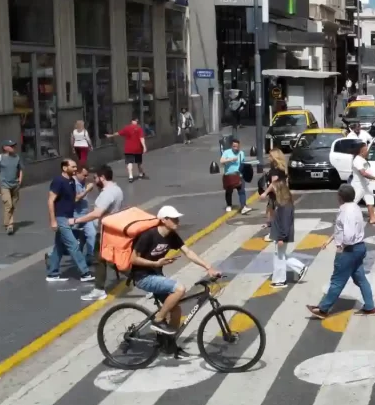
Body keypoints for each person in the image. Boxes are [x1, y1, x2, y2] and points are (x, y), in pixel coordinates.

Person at [129, 206, 221, 335]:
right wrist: (155, 263)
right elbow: (133, 259)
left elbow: (188, 252)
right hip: (143, 277)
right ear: (164, 220)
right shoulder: (148, 235)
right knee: (179, 289)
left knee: (176, 310)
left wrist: (208, 267)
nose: (178, 221)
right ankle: (158, 319)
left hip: (157, 276)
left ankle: (170, 345)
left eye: (177, 218)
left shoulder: (172, 236)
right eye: (174, 219)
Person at [307, 184, 375, 319]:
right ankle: (370, 306)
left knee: (337, 280)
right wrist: (331, 239)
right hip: (359, 248)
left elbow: (348, 235)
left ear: (340, 197)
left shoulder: (346, 212)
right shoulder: (354, 207)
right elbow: (341, 229)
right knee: (360, 278)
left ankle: (323, 309)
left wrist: (341, 247)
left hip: (349, 250)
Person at [71, 165, 124, 301]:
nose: (94, 181)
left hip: (105, 231)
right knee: (100, 259)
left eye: (95, 178)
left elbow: (97, 213)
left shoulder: (107, 193)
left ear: (102, 177)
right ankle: (99, 289)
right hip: (111, 229)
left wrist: (76, 220)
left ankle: (143, 279)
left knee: (110, 260)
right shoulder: (117, 189)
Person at [45, 159, 93, 282]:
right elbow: (51, 200)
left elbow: (75, 199)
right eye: (73, 167)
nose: (75, 169)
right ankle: (85, 272)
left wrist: (86, 191)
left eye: (76, 166)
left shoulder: (71, 181)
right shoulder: (58, 181)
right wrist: (53, 221)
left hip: (68, 217)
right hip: (61, 218)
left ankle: (52, 273)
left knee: (59, 247)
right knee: (73, 245)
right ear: (65, 168)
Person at [268, 180, 306, 288]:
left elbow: (285, 222)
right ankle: (300, 268)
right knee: (281, 255)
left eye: (274, 188)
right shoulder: (281, 202)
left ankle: (280, 280)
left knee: (279, 256)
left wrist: (281, 237)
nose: (272, 189)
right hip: (279, 233)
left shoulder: (284, 205)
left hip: (281, 235)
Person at [0, 140, 23, 235]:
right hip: (4, 185)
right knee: (8, 204)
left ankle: (10, 222)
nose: (13, 147)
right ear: (5, 147)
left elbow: (20, 169)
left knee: (13, 205)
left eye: (14, 146)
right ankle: (9, 224)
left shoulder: (17, 157)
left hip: (15, 184)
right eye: (11, 146)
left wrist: (20, 179)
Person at [351, 142, 375, 224]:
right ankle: (343, 217)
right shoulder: (357, 160)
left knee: (370, 199)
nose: (367, 151)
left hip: (365, 185)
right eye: (366, 150)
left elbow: (367, 170)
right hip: (358, 185)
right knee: (353, 202)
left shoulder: (362, 159)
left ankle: (372, 218)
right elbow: (363, 173)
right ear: (361, 151)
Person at [107, 117, 148, 182]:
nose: (136, 122)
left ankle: (130, 176)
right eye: (136, 121)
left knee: (129, 162)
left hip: (129, 149)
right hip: (138, 148)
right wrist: (144, 146)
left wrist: (111, 135)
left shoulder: (127, 128)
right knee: (139, 162)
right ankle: (140, 174)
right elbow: (141, 138)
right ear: (133, 121)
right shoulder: (139, 128)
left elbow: (118, 133)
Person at [72, 166, 97, 271]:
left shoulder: (81, 182)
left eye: (87, 175)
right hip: (75, 216)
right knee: (69, 240)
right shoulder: (72, 183)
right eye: (84, 175)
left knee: (92, 234)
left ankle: (90, 256)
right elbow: (75, 199)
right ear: (77, 173)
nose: (86, 178)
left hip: (85, 215)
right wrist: (87, 190)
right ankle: (51, 256)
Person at [219, 139, 253, 214]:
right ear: (231, 146)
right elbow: (221, 161)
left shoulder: (241, 153)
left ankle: (243, 206)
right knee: (229, 191)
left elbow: (243, 163)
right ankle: (229, 205)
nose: (235, 148)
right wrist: (231, 159)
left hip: (238, 175)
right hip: (229, 175)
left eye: (237, 146)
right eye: (234, 146)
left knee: (241, 191)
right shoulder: (226, 152)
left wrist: (243, 172)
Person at [261, 149, 289, 241]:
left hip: (275, 195)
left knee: (274, 214)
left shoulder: (275, 170)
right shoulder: (282, 168)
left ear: (274, 157)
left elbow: (274, 183)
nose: (268, 158)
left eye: (270, 156)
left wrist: (265, 193)